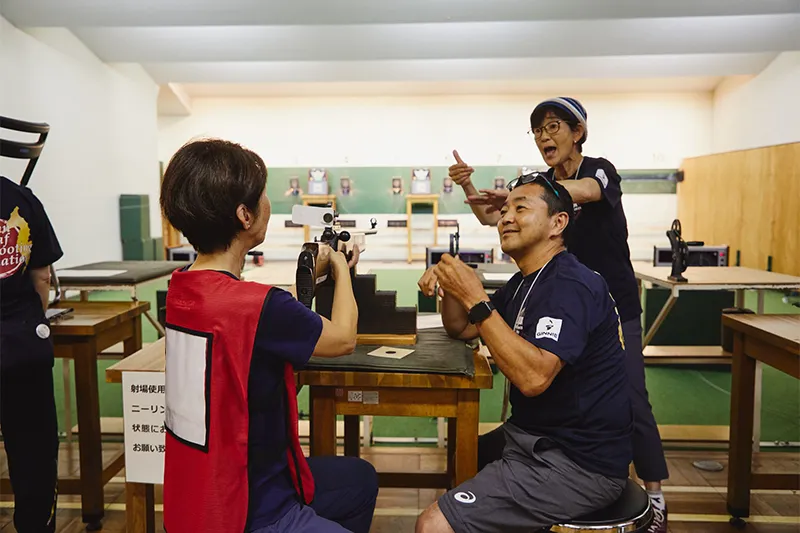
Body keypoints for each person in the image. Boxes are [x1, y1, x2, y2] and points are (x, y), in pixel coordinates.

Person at [449, 96, 669, 532]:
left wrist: (527, 194)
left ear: (578, 132)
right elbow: (492, 216)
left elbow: (585, 191)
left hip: (610, 305)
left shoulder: (598, 169)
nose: (544, 136)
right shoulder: (542, 186)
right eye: (538, 130)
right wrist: (477, 192)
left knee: (630, 396)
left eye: (554, 127)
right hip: (557, 302)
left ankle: (655, 494)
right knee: (548, 386)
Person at [159, 139, 378, 533]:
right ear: (244, 215)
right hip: (252, 508)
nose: (267, 204)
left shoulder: (184, 289)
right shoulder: (257, 305)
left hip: (200, 493)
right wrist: (342, 268)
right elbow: (343, 338)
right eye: (261, 195)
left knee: (359, 481)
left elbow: (255, 327)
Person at [416, 174, 633, 533]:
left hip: (575, 462)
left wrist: (475, 296)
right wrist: (455, 285)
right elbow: (463, 327)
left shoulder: (569, 285)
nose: (505, 217)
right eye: (503, 210)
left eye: (521, 208)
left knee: (432, 525)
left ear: (558, 223)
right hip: (532, 438)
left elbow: (533, 378)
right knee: (461, 454)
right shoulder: (525, 282)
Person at [0, 175, 62, 532]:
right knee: (32, 456)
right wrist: (27, 321)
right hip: (22, 345)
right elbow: (41, 277)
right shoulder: (21, 198)